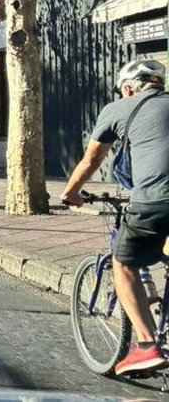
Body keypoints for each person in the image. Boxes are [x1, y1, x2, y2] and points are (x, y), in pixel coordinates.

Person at [61, 59, 169, 376]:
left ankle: (147, 347)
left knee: (124, 263)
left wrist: (70, 193)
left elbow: (91, 160)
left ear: (127, 87)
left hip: (155, 200)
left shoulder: (119, 109)